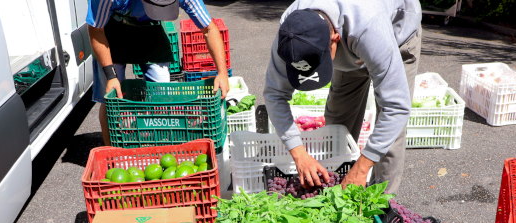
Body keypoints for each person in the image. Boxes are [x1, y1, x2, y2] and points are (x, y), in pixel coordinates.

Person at [264, 0, 422, 194]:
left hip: (396, 33)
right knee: (338, 124)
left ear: (334, 39)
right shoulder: (290, 35)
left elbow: (396, 107)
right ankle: (336, 192)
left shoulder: (368, 27)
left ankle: (381, 207)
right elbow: (274, 93)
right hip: (351, 39)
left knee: (389, 140)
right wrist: (298, 153)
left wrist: (362, 168)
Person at [87, 0, 229, 146]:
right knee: (111, 98)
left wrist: (222, 73)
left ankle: (156, 146)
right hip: (110, 31)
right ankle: (112, 155)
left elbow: (209, 29)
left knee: (161, 95)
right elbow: (95, 29)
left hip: (150, 29)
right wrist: (111, 76)